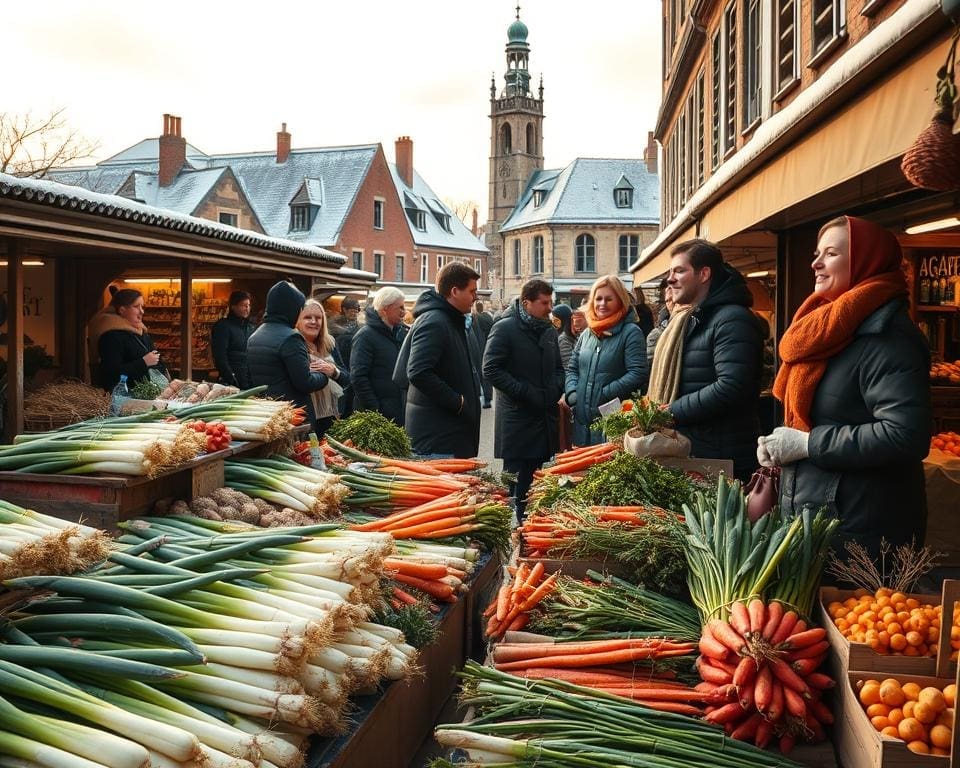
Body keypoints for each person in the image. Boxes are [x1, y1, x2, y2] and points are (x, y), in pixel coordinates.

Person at [758, 216, 931, 561]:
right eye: (817, 253)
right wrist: (782, 447)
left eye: (831, 254)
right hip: (825, 516)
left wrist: (808, 444)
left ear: (865, 262)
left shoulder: (888, 338)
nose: (816, 263)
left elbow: (905, 435)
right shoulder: (829, 328)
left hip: (862, 529)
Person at [649, 239, 763, 482]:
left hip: (721, 459)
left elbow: (732, 386)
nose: (670, 279)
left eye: (680, 270)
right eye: (670, 272)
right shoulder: (694, 318)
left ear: (704, 274)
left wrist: (671, 412)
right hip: (699, 452)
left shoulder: (732, 319)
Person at [483, 279, 564, 522]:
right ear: (527, 303)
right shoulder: (505, 328)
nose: (550, 307)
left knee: (536, 481)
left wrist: (555, 389)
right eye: (544, 303)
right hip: (517, 419)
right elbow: (490, 369)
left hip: (543, 416)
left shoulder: (548, 329)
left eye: (551, 302)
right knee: (514, 481)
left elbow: (559, 368)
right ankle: (508, 527)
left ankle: (528, 526)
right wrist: (525, 392)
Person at [397, 262, 481, 458]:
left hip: (448, 433)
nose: (475, 297)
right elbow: (418, 372)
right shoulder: (435, 321)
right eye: (471, 291)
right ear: (454, 291)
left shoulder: (450, 320)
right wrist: (457, 402)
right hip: (438, 438)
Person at [247, 281, 344, 440]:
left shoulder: (255, 336)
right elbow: (305, 383)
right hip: (295, 418)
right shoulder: (291, 338)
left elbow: (249, 380)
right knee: (305, 457)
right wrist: (323, 375)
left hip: (269, 415)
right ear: (293, 309)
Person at [564, 275, 648, 446]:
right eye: (598, 298)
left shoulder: (631, 332)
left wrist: (604, 393)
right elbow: (572, 368)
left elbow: (638, 372)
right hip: (581, 422)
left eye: (609, 299)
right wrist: (573, 394)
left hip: (613, 421)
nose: (602, 304)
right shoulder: (587, 333)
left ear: (620, 301)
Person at [90, 288, 168, 391]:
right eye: (136, 306)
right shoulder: (111, 336)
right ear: (122, 310)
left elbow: (156, 359)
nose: (142, 311)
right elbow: (110, 374)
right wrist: (143, 363)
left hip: (147, 394)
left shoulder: (141, 331)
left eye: (142, 306)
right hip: (124, 399)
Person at [350, 287, 408, 425]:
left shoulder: (399, 334)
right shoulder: (365, 336)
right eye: (400, 307)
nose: (404, 312)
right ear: (385, 309)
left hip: (394, 413)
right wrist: (375, 410)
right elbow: (358, 377)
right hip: (376, 419)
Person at [297, 299, 350, 439]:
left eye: (318, 318)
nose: (314, 321)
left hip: (331, 415)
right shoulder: (294, 345)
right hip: (305, 415)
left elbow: (347, 379)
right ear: (298, 320)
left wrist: (333, 371)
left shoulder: (330, 343)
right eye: (308, 317)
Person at [211, 290, 254, 389]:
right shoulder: (223, 327)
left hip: (249, 378)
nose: (247, 308)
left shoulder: (250, 327)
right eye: (244, 305)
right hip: (232, 380)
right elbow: (220, 355)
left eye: (249, 305)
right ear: (233, 307)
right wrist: (230, 377)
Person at [471, 301, 495, 408]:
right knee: (486, 374)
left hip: (479, 348)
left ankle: (481, 396)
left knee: (479, 373)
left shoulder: (475, 318)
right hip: (488, 347)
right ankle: (488, 398)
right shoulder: (489, 318)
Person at [645, 284, 675, 368]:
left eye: (675, 300)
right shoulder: (657, 334)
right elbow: (649, 365)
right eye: (668, 301)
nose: (672, 304)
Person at [550, 304, 576, 369]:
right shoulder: (573, 334)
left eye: (555, 320)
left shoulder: (563, 339)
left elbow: (568, 366)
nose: (552, 322)